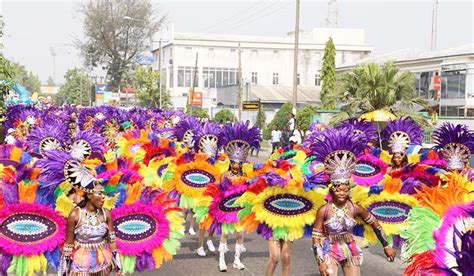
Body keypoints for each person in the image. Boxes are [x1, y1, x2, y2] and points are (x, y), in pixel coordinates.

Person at [310, 128, 396, 276]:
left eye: (345, 190)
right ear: (332, 191)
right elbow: (316, 238)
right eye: (338, 190)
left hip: (351, 249)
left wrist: (386, 245)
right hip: (330, 250)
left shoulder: (356, 208)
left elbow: (375, 223)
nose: (342, 193)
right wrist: (321, 261)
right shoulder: (324, 210)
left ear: (349, 190)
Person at [60, 179, 122, 275]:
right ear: (89, 195)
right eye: (99, 194)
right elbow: (68, 245)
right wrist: (64, 272)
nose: (103, 197)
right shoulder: (75, 215)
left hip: (102, 261)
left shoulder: (106, 214)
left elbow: (112, 241)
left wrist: (119, 268)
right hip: (80, 263)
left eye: (103, 194)